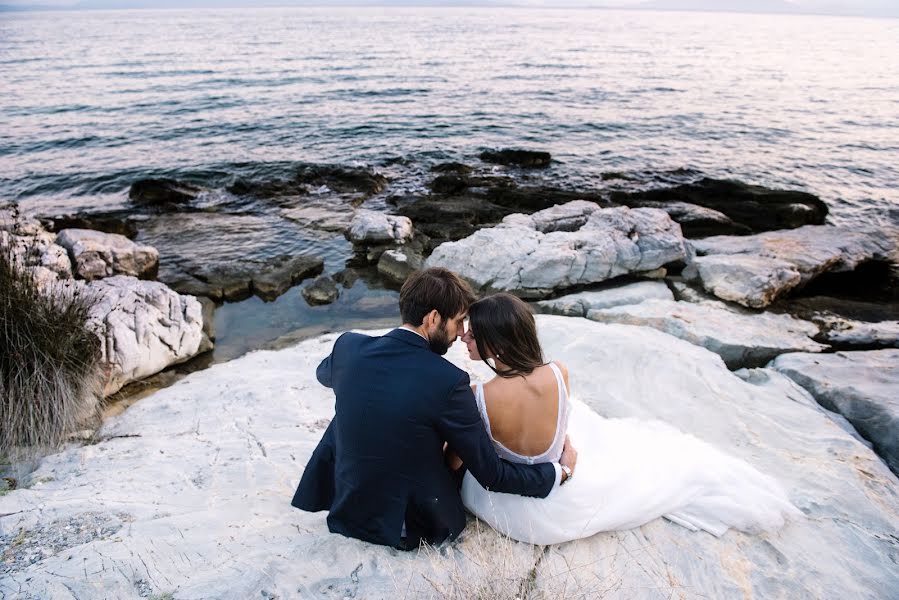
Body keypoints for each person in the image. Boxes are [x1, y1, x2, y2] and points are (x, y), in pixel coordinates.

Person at [458, 293, 801, 545]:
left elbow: (465, 458)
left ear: (496, 343)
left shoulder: (480, 397)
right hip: (559, 480)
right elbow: (557, 425)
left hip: (516, 510)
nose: (463, 337)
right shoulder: (558, 372)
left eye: (472, 334)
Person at [291, 268, 578, 550]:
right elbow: (493, 475)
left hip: (347, 511)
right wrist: (560, 472)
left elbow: (324, 375)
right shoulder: (449, 381)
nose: (461, 334)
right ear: (433, 319)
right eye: (458, 322)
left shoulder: (348, 346)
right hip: (409, 526)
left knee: (358, 410)